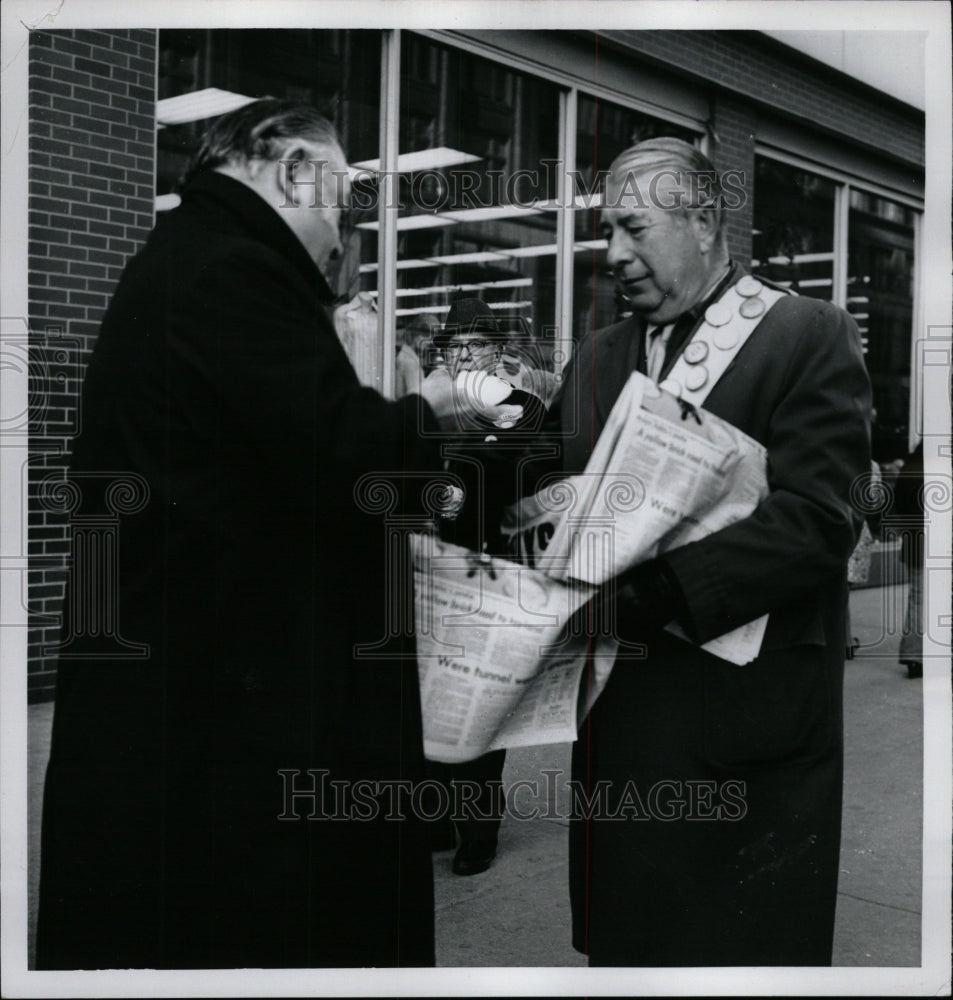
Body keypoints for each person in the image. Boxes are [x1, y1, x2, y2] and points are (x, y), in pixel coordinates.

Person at [35, 99, 506, 969]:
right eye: (339, 206)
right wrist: (433, 414)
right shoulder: (230, 274)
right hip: (236, 736)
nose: (340, 240)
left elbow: (276, 453)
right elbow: (339, 457)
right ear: (291, 170)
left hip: (199, 704)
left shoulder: (190, 263)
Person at [545, 138, 872, 965]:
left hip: (744, 738)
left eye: (633, 229)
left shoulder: (803, 334)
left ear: (701, 223)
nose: (613, 255)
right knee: (629, 950)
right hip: (621, 734)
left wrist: (663, 591)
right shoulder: (594, 358)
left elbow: (820, 517)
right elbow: (549, 498)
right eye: (605, 232)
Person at [426, 298, 547, 876]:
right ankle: (434, 819)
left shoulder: (524, 409)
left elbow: (529, 483)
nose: (462, 356)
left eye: (474, 345)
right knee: (428, 699)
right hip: (430, 574)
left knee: (478, 706)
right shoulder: (428, 408)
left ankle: (478, 829)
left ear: (499, 352)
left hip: (492, 575)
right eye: (454, 347)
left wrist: (461, 490)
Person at [894, 441, 924, 678]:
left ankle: (913, 654)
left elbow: (898, 503)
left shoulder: (910, 465)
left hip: (914, 540)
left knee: (918, 597)